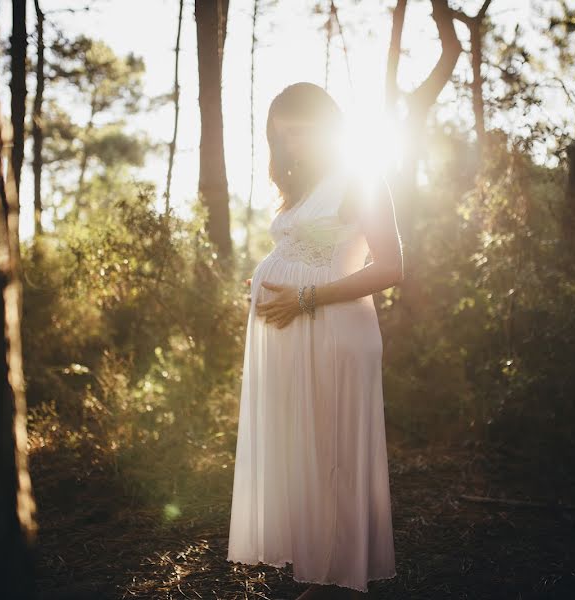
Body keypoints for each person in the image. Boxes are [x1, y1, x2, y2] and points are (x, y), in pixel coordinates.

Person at [226, 82, 402, 600]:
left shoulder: (362, 178)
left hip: (335, 333)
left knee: (335, 453)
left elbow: (392, 267)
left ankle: (339, 579)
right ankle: (319, 561)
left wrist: (303, 295)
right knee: (306, 448)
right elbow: (308, 248)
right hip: (295, 332)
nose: (293, 145)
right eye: (284, 136)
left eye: (301, 131)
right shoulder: (304, 186)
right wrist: (267, 281)